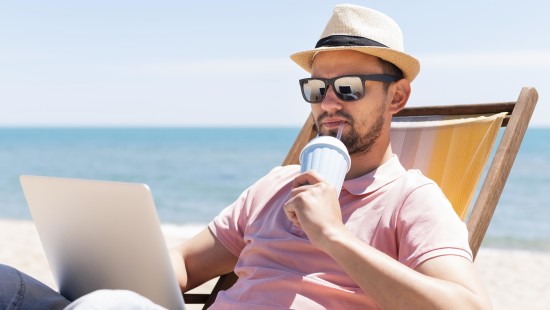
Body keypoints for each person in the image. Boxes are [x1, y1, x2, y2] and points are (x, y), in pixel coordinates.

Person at [0, 4, 492, 309]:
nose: (329, 103)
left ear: (397, 97)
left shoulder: (411, 199)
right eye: (317, 89)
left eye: (348, 87)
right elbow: (186, 268)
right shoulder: (275, 186)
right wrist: (112, 258)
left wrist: (333, 237)